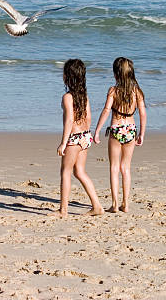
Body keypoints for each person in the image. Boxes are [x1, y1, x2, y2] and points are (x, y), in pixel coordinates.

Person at [51, 59, 104, 218]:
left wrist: (63, 142)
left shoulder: (68, 97)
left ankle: (63, 210)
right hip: (85, 136)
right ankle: (97, 206)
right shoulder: (84, 96)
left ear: (68, 77)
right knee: (80, 171)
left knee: (66, 171)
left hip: (73, 138)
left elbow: (69, 120)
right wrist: (87, 135)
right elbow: (88, 118)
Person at [93, 57, 146, 213]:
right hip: (130, 129)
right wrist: (142, 133)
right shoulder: (137, 92)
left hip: (116, 128)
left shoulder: (113, 91)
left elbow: (106, 110)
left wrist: (97, 131)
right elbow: (143, 113)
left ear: (116, 74)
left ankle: (115, 204)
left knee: (114, 167)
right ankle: (126, 204)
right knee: (126, 168)